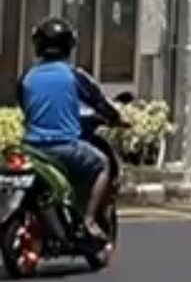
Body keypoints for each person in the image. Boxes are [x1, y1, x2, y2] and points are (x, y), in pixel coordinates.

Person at [18, 17, 124, 241]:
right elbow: (101, 103)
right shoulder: (74, 75)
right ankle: (89, 220)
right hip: (65, 148)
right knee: (103, 164)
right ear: (68, 46)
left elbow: (25, 107)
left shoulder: (27, 77)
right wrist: (116, 118)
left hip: (30, 148)